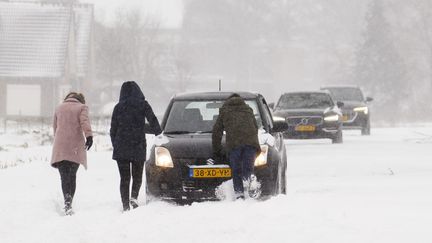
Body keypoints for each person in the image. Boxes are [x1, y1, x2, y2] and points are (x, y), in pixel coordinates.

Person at [110, 81, 162, 211]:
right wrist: (158, 132)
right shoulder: (143, 105)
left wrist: (115, 144)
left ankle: (125, 204)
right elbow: (152, 119)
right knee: (137, 175)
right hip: (137, 145)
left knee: (124, 177)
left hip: (121, 147)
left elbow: (113, 129)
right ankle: (133, 197)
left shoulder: (118, 107)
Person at [51, 92, 93, 215]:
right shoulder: (82, 107)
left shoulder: (59, 108)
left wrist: (60, 139)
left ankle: (66, 201)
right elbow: (84, 122)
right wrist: (89, 136)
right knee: (72, 176)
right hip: (75, 147)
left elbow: (55, 127)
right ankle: (69, 203)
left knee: (64, 177)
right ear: (80, 100)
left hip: (61, 146)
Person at [212, 93, 261, 199]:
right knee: (248, 167)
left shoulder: (225, 110)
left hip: (234, 144)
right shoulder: (248, 109)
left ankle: (239, 194)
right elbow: (255, 127)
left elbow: (217, 132)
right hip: (250, 143)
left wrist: (217, 150)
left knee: (236, 169)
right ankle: (250, 180)